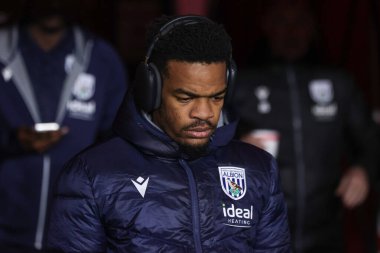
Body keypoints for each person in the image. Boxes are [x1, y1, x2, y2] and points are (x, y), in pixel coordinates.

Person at [47, 15, 291, 252]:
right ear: (150, 89)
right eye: (186, 98)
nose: (204, 113)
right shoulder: (92, 175)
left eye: (217, 97)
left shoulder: (258, 169)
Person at [233, 1, 378, 253]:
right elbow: (203, 140)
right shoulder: (240, 84)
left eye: (299, 22)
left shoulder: (338, 83)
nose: (291, 32)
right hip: (259, 231)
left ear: (312, 28)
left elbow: (372, 139)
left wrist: (363, 170)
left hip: (326, 232)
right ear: (267, 26)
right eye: (282, 22)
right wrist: (235, 146)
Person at [0, 0, 127, 252]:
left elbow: (120, 147)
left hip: (75, 236)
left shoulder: (100, 57)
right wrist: (13, 141)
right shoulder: (2, 48)